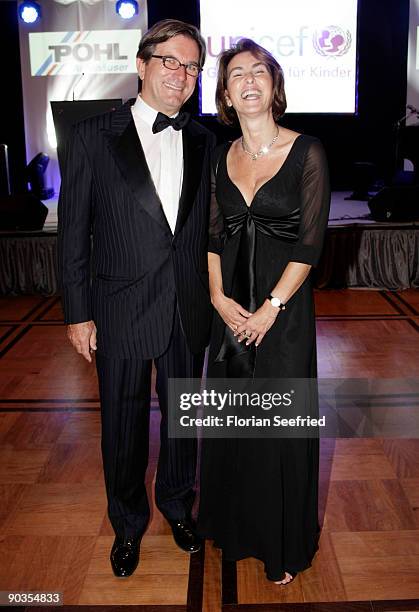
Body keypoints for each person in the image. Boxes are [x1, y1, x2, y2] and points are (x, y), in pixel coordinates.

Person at [58, 19, 215, 578]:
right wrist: (77, 312)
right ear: (142, 64)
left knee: (180, 420)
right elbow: (73, 230)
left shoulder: (203, 138)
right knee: (122, 426)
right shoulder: (92, 135)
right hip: (119, 306)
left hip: (185, 308)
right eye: (170, 61)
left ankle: (178, 506)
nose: (181, 74)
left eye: (192, 65)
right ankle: (127, 526)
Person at [197, 38, 330, 584]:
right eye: (235, 74)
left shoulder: (308, 151)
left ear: (274, 85)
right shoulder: (219, 154)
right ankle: (233, 528)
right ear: (225, 93)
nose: (247, 81)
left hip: (284, 313)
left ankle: (281, 543)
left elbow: (310, 245)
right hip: (229, 311)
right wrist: (217, 298)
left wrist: (271, 307)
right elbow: (209, 235)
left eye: (258, 72)